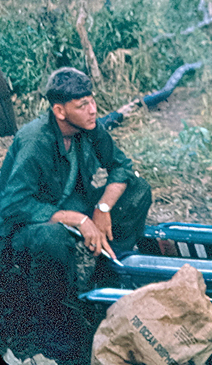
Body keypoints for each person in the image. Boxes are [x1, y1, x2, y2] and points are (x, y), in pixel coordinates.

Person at [0, 67, 152, 360]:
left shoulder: (90, 128)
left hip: (74, 206)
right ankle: (55, 329)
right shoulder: (36, 141)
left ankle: (105, 274)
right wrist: (80, 220)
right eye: (82, 105)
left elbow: (122, 166)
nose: (93, 110)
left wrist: (102, 208)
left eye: (92, 101)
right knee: (52, 237)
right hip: (26, 226)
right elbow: (12, 205)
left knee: (138, 191)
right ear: (59, 110)